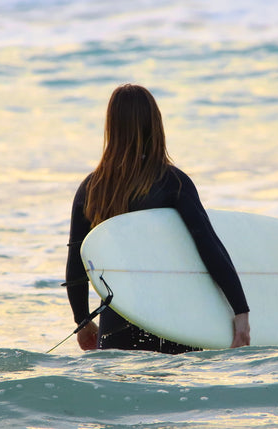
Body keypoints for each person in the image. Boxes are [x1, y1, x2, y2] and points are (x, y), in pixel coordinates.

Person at [65, 84, 250, 354]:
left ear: (111, 127)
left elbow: (76, 265)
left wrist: (82, 321)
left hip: (117, 322)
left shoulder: (91, 188)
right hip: (171, 318)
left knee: (123, 393)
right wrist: (240, 310)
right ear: (155, 124)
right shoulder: (172, 182)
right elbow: (209, 248)